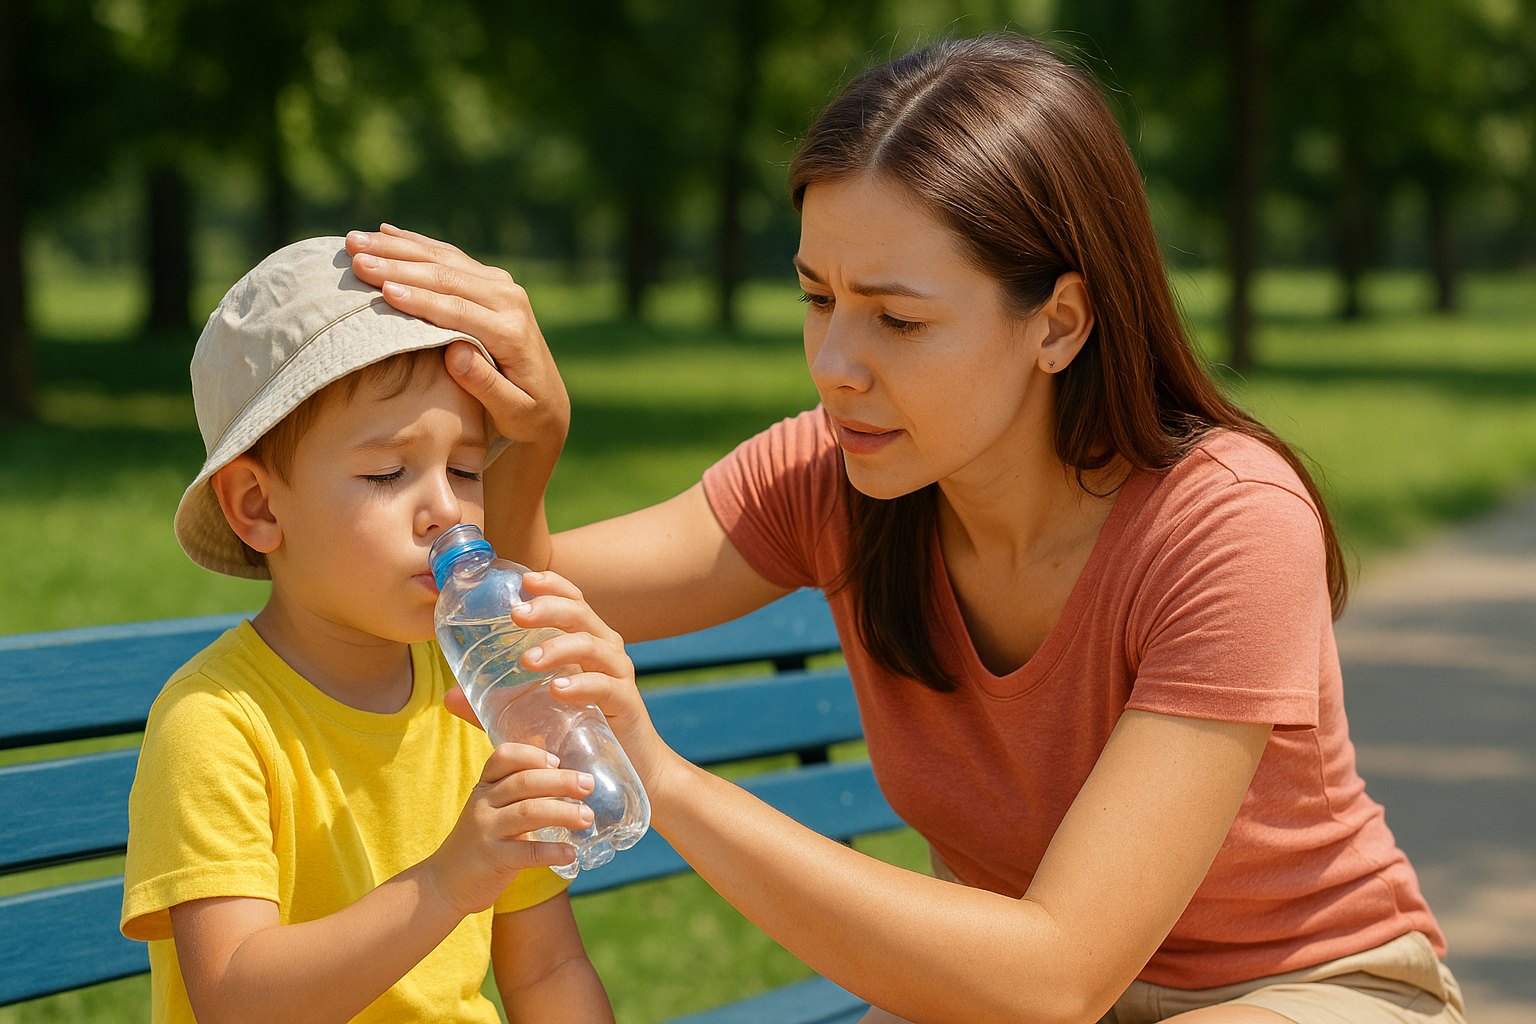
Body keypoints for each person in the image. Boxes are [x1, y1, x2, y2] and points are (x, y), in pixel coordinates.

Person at [344, 34, 1465, 1024]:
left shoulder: (1226, 526)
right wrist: (533, 442)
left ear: (1058, 324)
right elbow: (529, 605)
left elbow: (1056, 976)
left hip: (1297, 988)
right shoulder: (837, 478)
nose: (835, 367)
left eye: (898, 316)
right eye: (818, 298)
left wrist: (662, 777)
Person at [119, 237, 615, 1024]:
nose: (447, 511)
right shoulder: (215, 724)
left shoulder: (475, 696)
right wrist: (451, 879)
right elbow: (235, 997)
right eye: (388, 473)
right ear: (258, 506)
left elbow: (549, 969)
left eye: (464, 469)